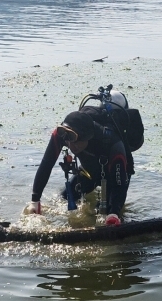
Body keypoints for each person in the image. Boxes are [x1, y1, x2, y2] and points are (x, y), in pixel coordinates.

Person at [26, 91, 135, 226]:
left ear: (88, 137)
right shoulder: (63, 134)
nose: (71, 146)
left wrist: (114, 214)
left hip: (116, 175)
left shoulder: (112, 143)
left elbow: (119, 184)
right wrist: (35, 201)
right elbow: (46, 165)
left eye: (76, 142)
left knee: (106, 213)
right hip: (89, 170)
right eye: (68, 142)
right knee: (64, 198)